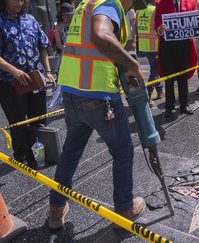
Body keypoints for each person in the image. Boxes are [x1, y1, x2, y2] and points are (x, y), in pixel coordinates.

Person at [48, 0, 148, 230]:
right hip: (98, 96)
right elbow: (101, 35)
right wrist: (133, 64)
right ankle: (124, 208)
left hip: (72, 93)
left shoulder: (88, 4)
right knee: (123, 151)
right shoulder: (110, 4)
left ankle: (56, 208)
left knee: (71, 151)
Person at [0, 0, 55, 165]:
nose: (20, 3)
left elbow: (43, 45)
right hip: (10, 83)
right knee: (18, 122)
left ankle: (43, 152)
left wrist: (48, 71)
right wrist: (14, 71)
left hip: (35, 80)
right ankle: (22, 157)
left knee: (39, 119)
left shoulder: (30, 19)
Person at [155, 0, 198, 118]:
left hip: (184, 45)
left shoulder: (191, 2)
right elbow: (157, 22)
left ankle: (184, 105)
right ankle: (169, 106)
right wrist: (161, 29)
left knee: (183, 77)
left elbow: (195, 22)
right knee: (169, 78)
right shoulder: (160, 3)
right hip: (167, 46)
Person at [136, 1, 164, 106]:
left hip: (144, 45)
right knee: (155, 71)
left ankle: (160, 90)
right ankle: (147, 96)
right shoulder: (155, 10)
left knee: (154, 69)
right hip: (154, 45)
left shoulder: (139, 11)